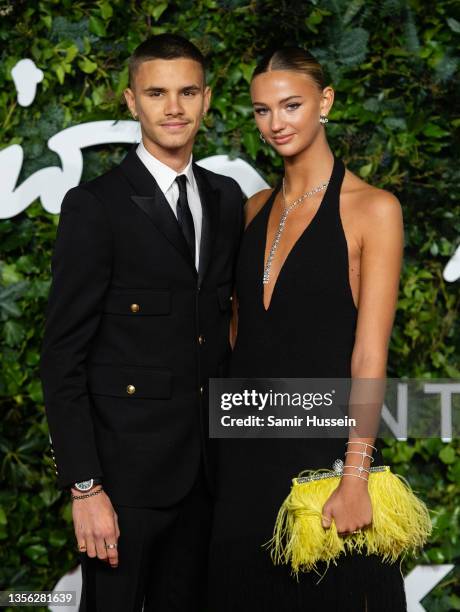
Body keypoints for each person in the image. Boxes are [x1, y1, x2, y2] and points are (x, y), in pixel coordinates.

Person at [40, 34, 243, 612]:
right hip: (121, 488)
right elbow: (62, 356)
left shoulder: (227, 199)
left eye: (187, 92)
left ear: (206, 99)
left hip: (208, 478)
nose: (173, 107)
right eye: (157, 92)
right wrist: (85, 488)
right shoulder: (95, 206)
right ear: (131, 101)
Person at [208, 47, 406, 611]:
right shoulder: (253, 208)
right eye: (262, 110)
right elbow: (237, 337)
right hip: (244, 460)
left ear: (325, 102)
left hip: (325, 458)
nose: (276, 123)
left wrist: (356, 474)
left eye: (291, 105)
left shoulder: (373, 208)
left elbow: (369, 354)